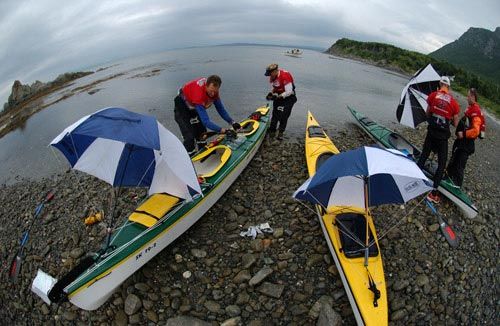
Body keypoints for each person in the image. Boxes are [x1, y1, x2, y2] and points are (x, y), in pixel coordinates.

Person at [417, 76, 460, 203]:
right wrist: (450, 119)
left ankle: (416, 181)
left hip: (431, 133)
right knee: (441, 164)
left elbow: (427, 113)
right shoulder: (453, 103)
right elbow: (456, 123)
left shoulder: (432, 95)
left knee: (424, 155)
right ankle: (434, 193)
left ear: (440, 84)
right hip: (442, 137)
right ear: (448, 87)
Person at [174, 75, 240, 155]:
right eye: (210, 91)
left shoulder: (214, 91)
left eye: (215, 91)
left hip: (192, 105)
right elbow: (206, 121)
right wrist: (223, 130)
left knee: (202, 133)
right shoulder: (199, 95)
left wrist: (232, 122)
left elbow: (221, 110)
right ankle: (189, 156)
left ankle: (202, 151)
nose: (212, 94)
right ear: (206, 86)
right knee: (189, 136)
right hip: (181, 105)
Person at [446, 88, 485, 187]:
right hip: (461, 142)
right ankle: (447, 177)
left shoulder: (476, 111)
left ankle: (457, 185)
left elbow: (476, 131)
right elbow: (464, 123)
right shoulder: (470, 108)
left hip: (466, 144)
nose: (467, 98)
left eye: (468, 96)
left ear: (473, 96)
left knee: (460, 165)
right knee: (454, 160)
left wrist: (463, 134)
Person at [265, 63, 297, 140]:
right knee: (275, 113)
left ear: (275, 71)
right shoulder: (273, 76)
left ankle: (280, 133)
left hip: (289, 97)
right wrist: (271, 93)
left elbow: (288, 92)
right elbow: (276, 87)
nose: (270, 76)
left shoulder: (285, 75)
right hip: (279, 96)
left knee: (284, 116)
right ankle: (272, 130)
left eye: (270, 74)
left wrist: (278, 97)